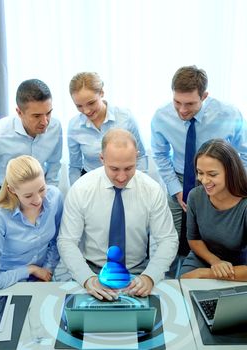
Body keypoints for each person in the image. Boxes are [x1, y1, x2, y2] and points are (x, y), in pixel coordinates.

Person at [58, 128, 178, 300]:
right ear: (101, 159)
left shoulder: (152, 190)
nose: (122, 177)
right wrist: (87, 279)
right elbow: (67, 241)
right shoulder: (81, 189)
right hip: (92, 270)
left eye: (129, 168)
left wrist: (150, 276)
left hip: (137, 271)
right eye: (114, 168)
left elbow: (168, 239)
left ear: (137, 157)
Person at [151, 65, 247, 268]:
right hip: (178, 178)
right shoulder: (161, 116)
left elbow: (244, 153)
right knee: (172, 237)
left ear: (204, 96)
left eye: (190, 104)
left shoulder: (229, 114)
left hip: (221, 179)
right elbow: (160, 155)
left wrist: (233, 185)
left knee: (218, 234)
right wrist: (176, 190)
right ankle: (174, 281)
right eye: (177, 102)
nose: (182, 110)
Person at [0, 78, 63, 221]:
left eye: (48, 113)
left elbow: (54, 163)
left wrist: (48, 194)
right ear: (19, 112)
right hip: (5, 195)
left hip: (39, 194)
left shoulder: (55, 127)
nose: (45, 122)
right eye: (37, 116)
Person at [0, 155, 63, 292]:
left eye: (42, 189)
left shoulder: (55, 197)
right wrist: (30, 270)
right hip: (6, 283)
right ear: (12, 190)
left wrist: (47, 270)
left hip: (42, 279)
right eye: (28, 196)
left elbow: (56, 241)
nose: (38, 200)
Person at [180, 139, 247, 281]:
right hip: (204, 257)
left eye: (212, 174)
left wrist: (206, 273)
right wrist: (215, 262)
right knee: (184, 286)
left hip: (241, 267)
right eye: (200, 173)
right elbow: (194, 239)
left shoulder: (244, 205)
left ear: (230, 172)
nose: (204, 180)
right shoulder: (195, 196)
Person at [67, 72, 148, 185]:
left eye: (91, 103)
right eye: (79, 106)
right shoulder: (74, 126)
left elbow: (141, 156)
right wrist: (75, 191)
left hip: (125, 179)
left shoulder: (125, 118)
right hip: (91, 182)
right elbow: (75, 166)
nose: (86, 111)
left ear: (101, 93)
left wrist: (139, 185)